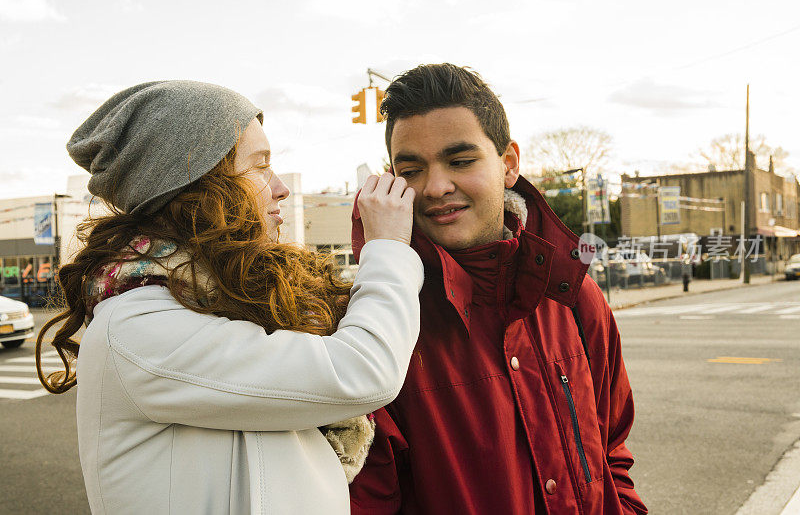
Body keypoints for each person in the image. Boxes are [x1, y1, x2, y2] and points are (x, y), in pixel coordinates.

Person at [35, 80, 423, 514]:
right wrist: (388, 248)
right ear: (198, 187)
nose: (280, 188)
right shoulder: (139, 327)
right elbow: (362, 371)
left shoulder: (232, 303)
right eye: (259, 166)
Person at [349, 64, 648, 514]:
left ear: (509, 164)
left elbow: (612, 451)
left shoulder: (572, 296)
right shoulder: (380, 325)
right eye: (411, 170)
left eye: (461, 161)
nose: (436, 187)